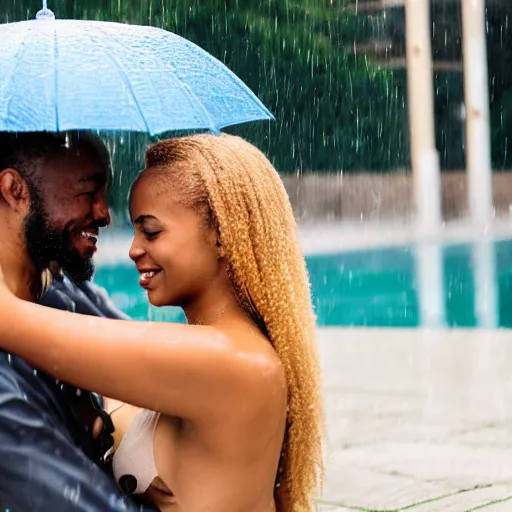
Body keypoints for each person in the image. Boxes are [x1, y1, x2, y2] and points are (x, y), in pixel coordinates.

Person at [0, 133, 324, 512]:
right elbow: (118, 392)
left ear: (222, 236)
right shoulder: (217, 352)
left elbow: (9, 318)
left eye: (151, 231)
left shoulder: (226, 361)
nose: (134, 249)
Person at [0, 131, 152, 511]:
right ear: (14, 189)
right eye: (88, 192)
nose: (104, 213)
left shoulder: (62, 294)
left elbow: (153, 360)